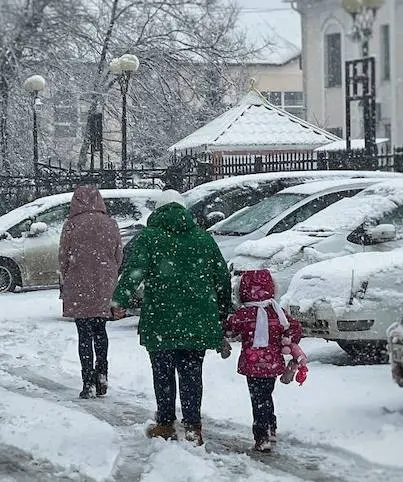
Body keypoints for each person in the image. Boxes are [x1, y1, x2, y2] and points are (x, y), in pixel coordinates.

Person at [110, 189, 232, 446]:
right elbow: (221, 278)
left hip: (161, 319)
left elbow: (134, 271)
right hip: (197, 320)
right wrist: (221, 311)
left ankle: (165, 423)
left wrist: (119, 300)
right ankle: (193, 427)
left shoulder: (150, 238)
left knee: (162, 373)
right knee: (192, 374)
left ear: (158, 211)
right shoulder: (203, 239)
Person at [225, 269, 304, 453]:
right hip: (272, 363)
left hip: (252, 364)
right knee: (267, 395)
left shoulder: (245, 315)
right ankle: (271, 427)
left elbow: (230, 328)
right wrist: (287, 341)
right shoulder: (277, 312)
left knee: (257, 398)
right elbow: (294, 329)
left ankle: (261, 436)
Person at [59, 185, 123, 399]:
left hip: (79, 285)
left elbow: (63, 257)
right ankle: (102, 372)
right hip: (104, 284)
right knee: (101, 331)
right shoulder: (110, 223)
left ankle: (88, 381)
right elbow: (118, 255)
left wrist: (68, 277)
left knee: (84, 334)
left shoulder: (71, 225)